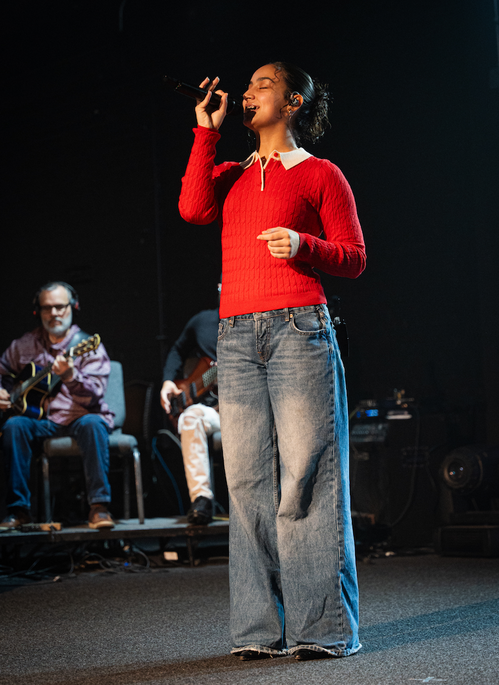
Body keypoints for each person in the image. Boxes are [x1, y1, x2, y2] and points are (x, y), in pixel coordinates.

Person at [178, 62, 366, 661]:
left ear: (293, 101)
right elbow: (192, 209)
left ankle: (323, 629)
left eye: (263, 84)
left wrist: (304, 244)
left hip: (298, 328)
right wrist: (205, 132)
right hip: (235, 336)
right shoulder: (232, 173)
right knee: (247, 483)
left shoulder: (321, 173)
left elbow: (355, 256)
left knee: (307, 476)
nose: (249, 91)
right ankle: (259, 632)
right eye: (249, 85)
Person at [0, 281, 115, 529]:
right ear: (38, 311)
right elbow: (3, 370)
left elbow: (96, 394)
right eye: (47, 308)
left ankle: (99, 507)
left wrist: (71, 377)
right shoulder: (24, 344)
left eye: (60, 307)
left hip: (79, 416)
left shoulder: (88, 346)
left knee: (94, 424)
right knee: (13, 426)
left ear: (73, 308)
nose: (54, 313)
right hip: (40, 420)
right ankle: (19, 510)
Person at [160, 289, 220, 525]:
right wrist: (168, 380)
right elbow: (178, 349)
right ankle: (201, 499)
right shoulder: (203, 321)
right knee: (190, 416)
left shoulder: (259, 319)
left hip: (250, 408)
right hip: (216, 410)